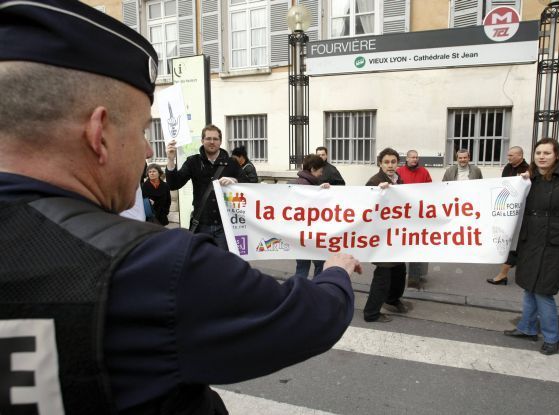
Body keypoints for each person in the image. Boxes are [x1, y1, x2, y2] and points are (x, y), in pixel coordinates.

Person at [0, 1, 363, 413]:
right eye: (141, 130)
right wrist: (335, 271)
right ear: (98, 134)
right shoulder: (156, 267)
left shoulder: (225, 168)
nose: (146, 148)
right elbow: (304, 320)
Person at [504, 138, 559, 355]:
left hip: (553, 244)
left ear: (556, 156)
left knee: (543, 291)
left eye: (547, 153)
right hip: (530, 241)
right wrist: (520, 182)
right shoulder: (529, 178)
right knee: (529, 287)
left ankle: (552, 337)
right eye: (538, 153)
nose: (541, 156)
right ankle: (527, 328)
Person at [165, 125, 243, 250]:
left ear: (220, 141)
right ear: (202, 141)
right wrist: (170, 160)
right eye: (208, 138)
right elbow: (174, 184)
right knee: (201, 266)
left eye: (215, 139)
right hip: (201, 225)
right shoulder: (193, 162)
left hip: (226, 226)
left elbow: (250, 183)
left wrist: (235, 181)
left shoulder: (232, 163)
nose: (212, 142)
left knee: (222, 265)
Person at [363, 148, 408, 322]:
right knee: (383, 274)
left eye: (393, 162)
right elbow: (368, 208)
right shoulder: (375, 181)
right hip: (381, 238)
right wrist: (378, 193)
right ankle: (371, 313)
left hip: (396, 235)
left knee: (399, 270)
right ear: (380, 164)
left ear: (398, 163)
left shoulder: (398, 180)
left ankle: (392, 300)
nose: (390, 165)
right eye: (386, 162)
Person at [487, 146, 529, 285]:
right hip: (506, 209)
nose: (508, 157)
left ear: (520, 155)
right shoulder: (507, 168)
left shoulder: (527, 170)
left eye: (511, 155)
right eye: (508, 155)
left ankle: (502, 274)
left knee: (513, 242)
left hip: (520, 211)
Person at [396, 150, 432, 289]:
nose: (415, 159)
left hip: (419, 215)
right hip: (403, 215)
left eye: (417, 157)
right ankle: (400, 276)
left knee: (416, 246)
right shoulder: (399, 171)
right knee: (401, 246)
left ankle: (414, 279)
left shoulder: (424, 172)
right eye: (412, 157)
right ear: (407, 158)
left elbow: (430, 189)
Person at [292, 154, 330, 278]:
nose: (321, 174)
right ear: (313, 169)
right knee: (320, 263)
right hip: (310, 235)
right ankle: (316, 290)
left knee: (302, 267)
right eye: (320, 171)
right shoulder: (307, 186)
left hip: (299, 234)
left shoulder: (296, 183)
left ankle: (298, 293)